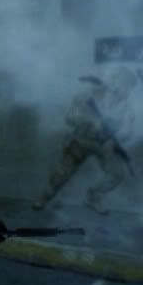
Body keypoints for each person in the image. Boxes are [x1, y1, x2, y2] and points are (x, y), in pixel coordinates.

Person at [32, 67, 137, 215]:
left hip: (104, 144)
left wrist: (116, 139)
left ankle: (93, 197)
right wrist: (89, 121)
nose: (126, 90)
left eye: (129, 87)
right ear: (114, 82)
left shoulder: (126, 108)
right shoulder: (89, 96)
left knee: (117, 173)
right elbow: (70, 117)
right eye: (124, 84)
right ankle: (44, 198)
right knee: (62, 174)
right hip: (82, 139)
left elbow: (128, 130)